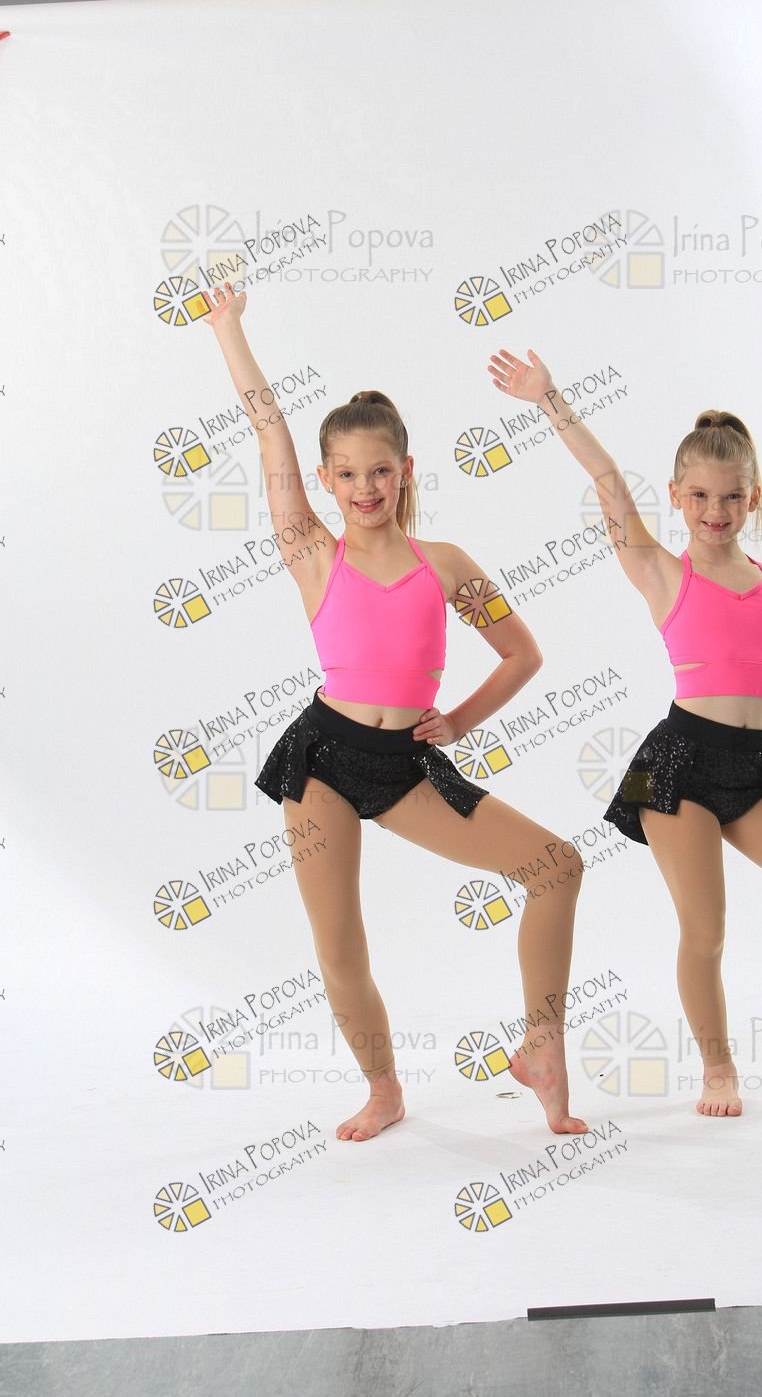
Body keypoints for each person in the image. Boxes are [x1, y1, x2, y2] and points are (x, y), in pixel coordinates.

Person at [203, 283, 588, 1141]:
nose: (365, 486)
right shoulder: (311, 551)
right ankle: (383, 1090)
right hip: (322, 760)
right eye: (346, 474)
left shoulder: (445, 564)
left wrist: (460, 722)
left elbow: (522, 654)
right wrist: (229, 328)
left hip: (407, 765)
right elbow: (268, 429)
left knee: (556, 867)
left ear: (406, 470)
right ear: (324, 481)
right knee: (339, 943)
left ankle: (541, 1046)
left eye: (380, 470)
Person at [487, 345, 762, 1118]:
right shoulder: (662, 571)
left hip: (748, 768)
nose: (715, 510)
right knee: (705, 930)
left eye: (731, 496)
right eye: (700, 495)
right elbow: (607, 482)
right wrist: (548, 399)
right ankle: (718, 1070)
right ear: (676, 496)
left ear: (754, 498)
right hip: (675, 764)